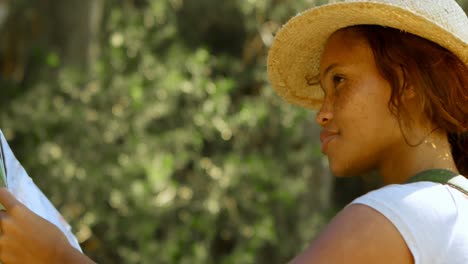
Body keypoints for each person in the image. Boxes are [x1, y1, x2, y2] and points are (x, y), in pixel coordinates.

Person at [0, 0, 466, 263]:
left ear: (405, 82)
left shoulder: (393, 217)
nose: (321, 113)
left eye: (339, 82)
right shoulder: (451, 211)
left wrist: (58, 259)